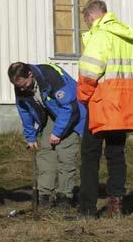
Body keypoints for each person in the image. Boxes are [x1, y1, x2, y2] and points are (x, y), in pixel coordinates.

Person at [76, 0, 133, 218]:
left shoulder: (101, 35)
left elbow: (89, 71)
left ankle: (87, 209)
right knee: (116, 155)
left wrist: (82, 97)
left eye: (86, 21)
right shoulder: (129, 37)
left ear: (91, 16)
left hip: (102, 106)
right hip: (123, 107)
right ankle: (116, 203)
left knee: (90, 157)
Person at [8, 62, 86, 208]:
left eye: (24, 84)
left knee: (65, 153)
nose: (21, 89)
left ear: (30, 74)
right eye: (18, 86)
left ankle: (65, 196)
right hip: (49, 113)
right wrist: (30, 137)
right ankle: (44, 195)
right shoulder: (20, 85)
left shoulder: (51, 76)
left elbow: (69, 106)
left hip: (70, 113)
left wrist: (57, 133)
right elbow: (24, 109)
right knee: (45, 152)